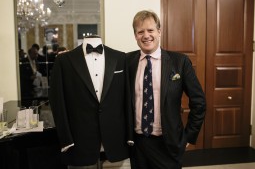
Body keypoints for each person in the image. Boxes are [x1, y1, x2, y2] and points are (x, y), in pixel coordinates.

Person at [126, 10, 206, 169]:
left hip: (168, 145)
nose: (146, 35)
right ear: (135, 35)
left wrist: (188, 137)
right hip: (137, 144)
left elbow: (199, 102)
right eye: (140, 31)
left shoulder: (180, 62)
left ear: (159, 32)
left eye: (150, 30)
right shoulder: (127, 61)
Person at [49, 35, 132, 168]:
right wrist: (66, 140)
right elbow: (57, 102)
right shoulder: (64, 60)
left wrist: (130, 136)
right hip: (79, 143)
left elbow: (127, 99)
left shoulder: (120, 58)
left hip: (116, 141)